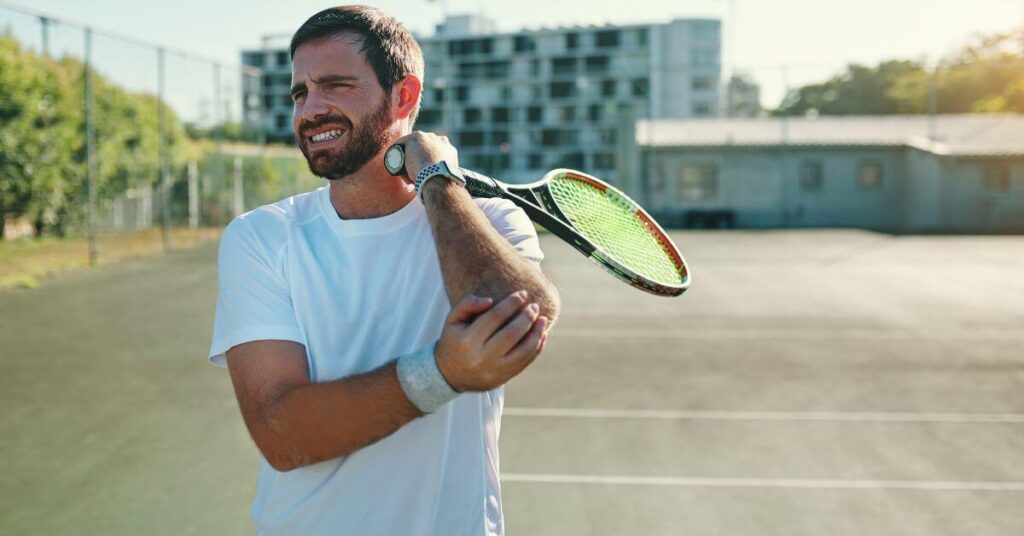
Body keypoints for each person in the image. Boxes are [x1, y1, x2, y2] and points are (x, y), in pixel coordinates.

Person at [207, 5, 560, 535]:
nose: (311, 109)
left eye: (336, 85)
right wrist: (441, 373)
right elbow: (281, 433)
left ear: (405, 96)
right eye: (300, 92)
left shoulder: (489, 219)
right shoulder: (261, 237)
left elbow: (517, 324)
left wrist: (438, 181)